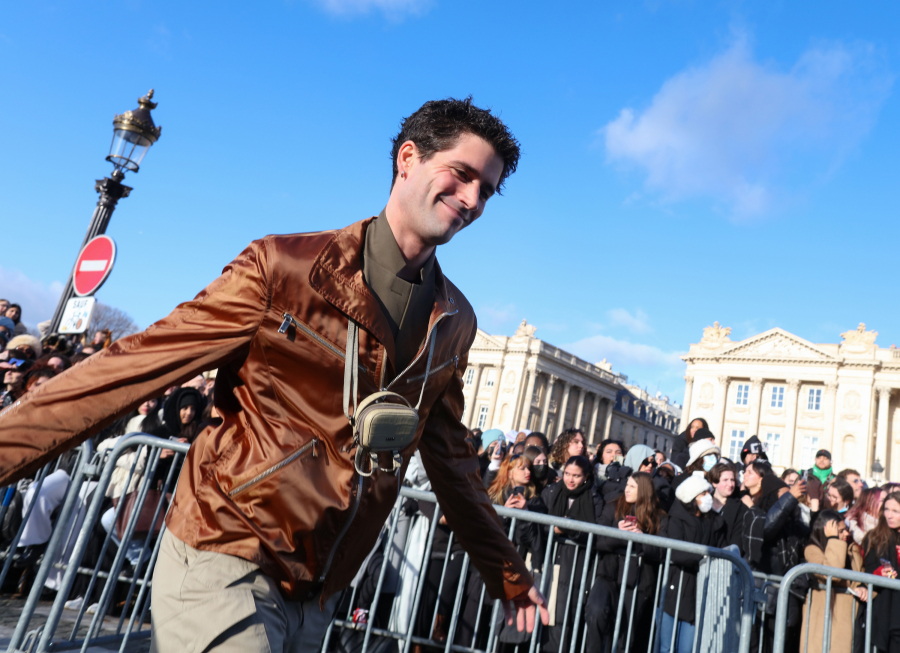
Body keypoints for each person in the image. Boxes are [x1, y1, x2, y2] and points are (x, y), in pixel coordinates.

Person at [0, 97, 548, 652]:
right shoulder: (281, 268)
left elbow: (452, 460)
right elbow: (131, 369)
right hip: (227, 545)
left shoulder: (455, 319)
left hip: (321, 584)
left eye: (488, 189)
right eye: (462, 174)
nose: (474, 199)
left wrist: (508, 573)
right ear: (408, 158)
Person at [590, 472, 667, 653]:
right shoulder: (612, 508)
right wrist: (618, 534)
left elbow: (663, 551)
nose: (627, 489)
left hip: (640, 581)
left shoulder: (659, 517)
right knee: (595, 612)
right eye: (627, 485)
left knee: (626, 634)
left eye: (632, 486)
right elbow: (597, 541)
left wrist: (642, 538)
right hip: (608, 574)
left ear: (644, 490)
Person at [541, 455, 603, 653]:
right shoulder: (551, 492)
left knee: (563, 617)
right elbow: (537, 523)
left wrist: (568, 528)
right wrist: (554, 529)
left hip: (575, 564)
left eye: (576, 475)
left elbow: (596, 533)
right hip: (549, 559)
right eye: (567, 473)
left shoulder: (594, 498)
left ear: (585, 477)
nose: (570, 479)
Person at [658, 471, 725, 653]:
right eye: (703, 494)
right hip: (676, 586)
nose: (708, 497)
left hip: (698, 590)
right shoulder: (676, 519)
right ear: (691, 498)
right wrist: (703, 558)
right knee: (666, 646)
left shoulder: (712, 521)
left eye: (708, 493)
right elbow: (676, 551)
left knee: (687, 648)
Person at [800, 510, 866, 653]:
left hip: (848, 619)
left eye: (846, 530)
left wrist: (862, 587)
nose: (846, 534)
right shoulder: (812, 550)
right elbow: (832, 573)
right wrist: (833, 539)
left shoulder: (852, 550)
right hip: (824, 618)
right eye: (841, 531)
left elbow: (862, 576)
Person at [862, 491, 900, 652]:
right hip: (885, 609)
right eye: (886, 509)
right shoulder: (875, 537)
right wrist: (878, 573)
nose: (889, 515)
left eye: (895, 511)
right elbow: (866, 568)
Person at [709, 460, 747, 553]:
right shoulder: (703, 502)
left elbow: (736, 542)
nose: (730, 484)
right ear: (714, 483)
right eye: (725, 480)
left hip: (724, 560)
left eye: (732, 480)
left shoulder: (740, 509)